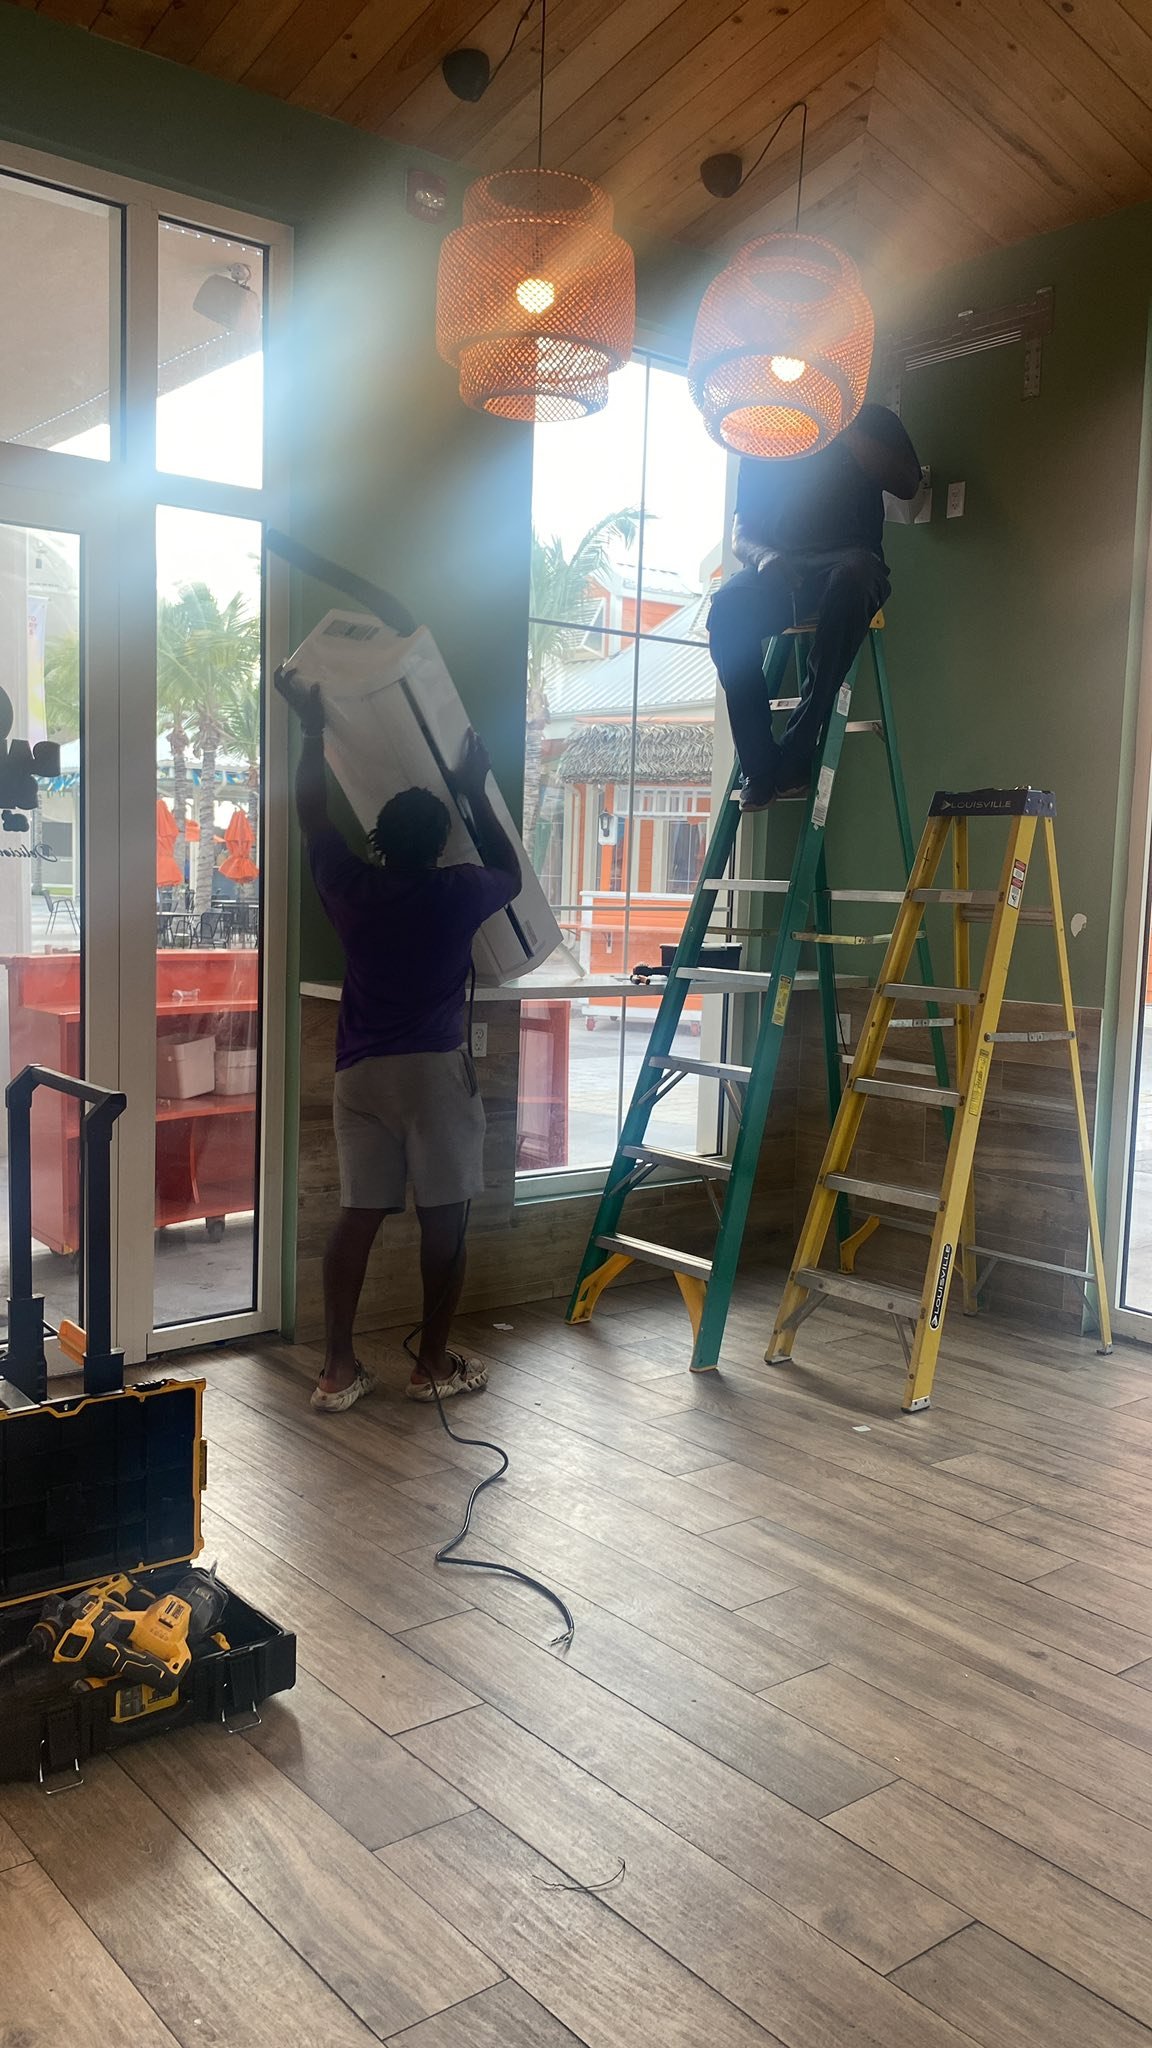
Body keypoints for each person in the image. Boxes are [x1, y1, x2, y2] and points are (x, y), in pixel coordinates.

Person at [277, 666, 521, 1412]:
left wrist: (314, 728)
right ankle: (432, 1366)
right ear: (439, 844)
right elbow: (508, 870)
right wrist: (472, 785)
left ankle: (337, 1371)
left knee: (358, 1217)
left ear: (380, 838)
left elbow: (311, 812)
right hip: (432, 1077)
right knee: (444, 1221)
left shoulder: (349, 886)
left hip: (359, 1077)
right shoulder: (457, 891)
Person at [707, 403, 921, 810]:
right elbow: (742, 532)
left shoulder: (867, 418)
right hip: (781, 566)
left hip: (850, 561)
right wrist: (764, 557)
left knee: (854, 577)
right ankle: (759, 766)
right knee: (727, 609)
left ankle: (800, 745)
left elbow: (908, 484)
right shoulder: (763, 432)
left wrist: (842, 426)